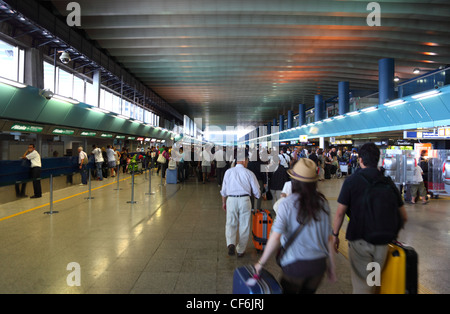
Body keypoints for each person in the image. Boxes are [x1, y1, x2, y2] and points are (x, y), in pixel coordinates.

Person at [332, 142, 408, 294]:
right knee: (373, 281)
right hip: (382, 241)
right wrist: (393, 233)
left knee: (362, 286)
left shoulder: (351, 181)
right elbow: (404, 216)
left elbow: (340, 212)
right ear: (378, 160)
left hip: (359, 241)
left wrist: (335, 235)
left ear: (360, 160)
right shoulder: (387, 182)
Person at [254, 158, 336, 294]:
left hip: (295, 266)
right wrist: (332, 267)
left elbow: (275, 237)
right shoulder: (323, 203)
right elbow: (329, 239)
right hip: (318, 266)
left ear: (295, 181)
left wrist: (261, 262)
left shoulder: (286, 203)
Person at [220, 150, 261, 257]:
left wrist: (224, 202)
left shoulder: (228, 172)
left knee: (230, 223)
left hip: (231, 200)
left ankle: (231, 243)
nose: (247, 162)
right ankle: (240, 250)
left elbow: (223, 191)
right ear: (243, 160)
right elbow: (257, 191)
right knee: (244, 225)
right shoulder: (249, 173)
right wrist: (258, 195)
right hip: (245, 200)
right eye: (247, 160)